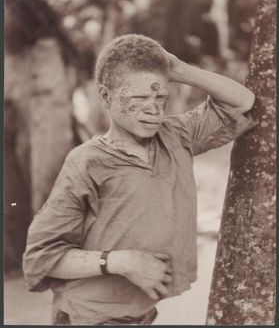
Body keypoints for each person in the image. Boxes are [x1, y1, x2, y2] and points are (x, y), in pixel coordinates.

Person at [23, 34, 256, 325]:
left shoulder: (176, 137)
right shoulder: (88, 162)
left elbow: (244, 102)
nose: (154, 110)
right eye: (139, 98)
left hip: (141, 316)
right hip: (88, 318)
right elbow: (40, 257)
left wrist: (180, 69)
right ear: (106, 96)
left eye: (160, 97)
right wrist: (121, 262)